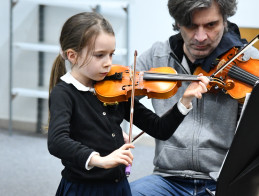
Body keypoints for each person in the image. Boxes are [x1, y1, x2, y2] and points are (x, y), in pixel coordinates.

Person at [47, 12, 209, 196]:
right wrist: (99, 160)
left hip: (117, 187)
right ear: (72, 56)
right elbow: (57, 141)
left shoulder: (115, 89)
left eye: (111, 54)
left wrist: (184, 101)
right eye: (100, 55)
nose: (108, 64)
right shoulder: (64, 93)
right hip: (84, 189)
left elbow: (159, 129)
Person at [130, 0, 259, 195]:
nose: (200, 37)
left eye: (211, 25)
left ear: (224, 21)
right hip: (167, 179)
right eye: (191, 26)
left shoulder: (248, 59)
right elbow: (119, 96)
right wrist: (113, 126)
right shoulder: (157, 56)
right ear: (178, 23)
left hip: (224, 181)